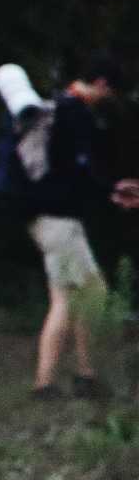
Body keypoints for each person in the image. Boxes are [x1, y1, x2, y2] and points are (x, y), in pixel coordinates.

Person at [24, 53, 139, 400]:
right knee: (80, 295)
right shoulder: (74, 113)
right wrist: (109, 190)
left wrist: (111, 190)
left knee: (78, 295)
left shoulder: (57, 108)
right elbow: (78, 170)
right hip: (58, 220)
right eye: (112, 93)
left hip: (48, 216)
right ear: (103, 84)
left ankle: (81, 375)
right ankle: (52, 382)